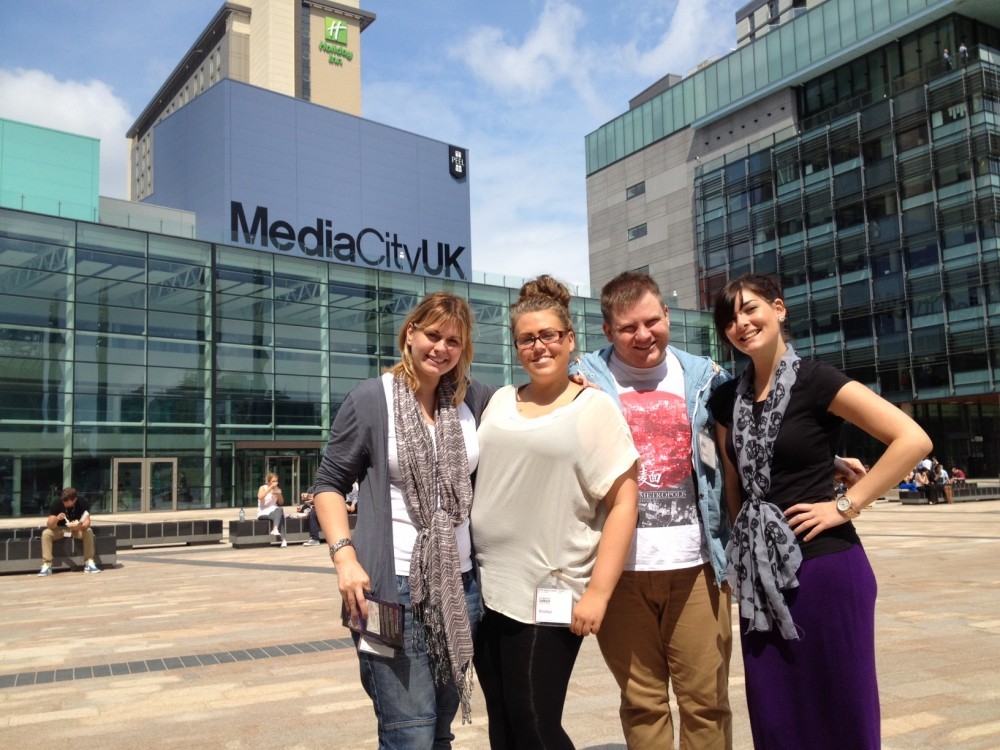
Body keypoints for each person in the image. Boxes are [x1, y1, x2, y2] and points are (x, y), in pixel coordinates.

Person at [710, 273, 932, 750]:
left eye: (751, 309)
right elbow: (737, 485)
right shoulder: (727, 400)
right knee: (776, 712)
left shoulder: (816, 379)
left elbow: (912, 439)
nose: (742, 323)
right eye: (729, 319)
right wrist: (742, 552)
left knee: (841, 706)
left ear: (779, 309)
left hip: (826, 567)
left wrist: (845, 506)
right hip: (761, 581)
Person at [312, 292, 494, 748]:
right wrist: (344, 558)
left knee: (438, 730)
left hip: (460, 589)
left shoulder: (474, 398)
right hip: (385, 592)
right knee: (406, 733)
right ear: (410, 334)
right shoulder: (372, 399)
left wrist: (578, 379)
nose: (442, 348)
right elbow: (329, 483)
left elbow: (535, 403)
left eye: (454, 340)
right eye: (433, 334)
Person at [471, 275, 640, 749]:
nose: (538, 346)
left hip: (551, 588)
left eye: (549, 335)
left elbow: (624, 501)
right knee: (503, 723)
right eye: (527, 338)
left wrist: (599, 594)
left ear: (569, 341)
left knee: (535, 721)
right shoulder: (499, 401)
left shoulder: (594, 407)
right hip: (487, 589)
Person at [38, 487, 102, 576]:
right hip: (63, 531)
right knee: (46, 533)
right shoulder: (57, 504)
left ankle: (89, 563)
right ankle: (47, 565)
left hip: (76, 530)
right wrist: (56, 519)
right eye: (63, 501)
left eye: (67, 502)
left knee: (89, 531)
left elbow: (87, 522)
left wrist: (80, 527)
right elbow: (50, 525)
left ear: (75, 499)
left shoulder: (82, 503)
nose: (65, 504)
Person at [257, 473, 287, 547]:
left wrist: (279, 494)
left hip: (274, 510)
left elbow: (281, 503)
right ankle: (284, 540)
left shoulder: (277, 489)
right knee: (280, 516)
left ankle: (275, 528)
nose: (275, 483)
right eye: (273, 481)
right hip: (263, 511)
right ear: (268, 481)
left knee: (280, 510)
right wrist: (270, 488)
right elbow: (260, 497)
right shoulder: (263, 487)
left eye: (276, 481)